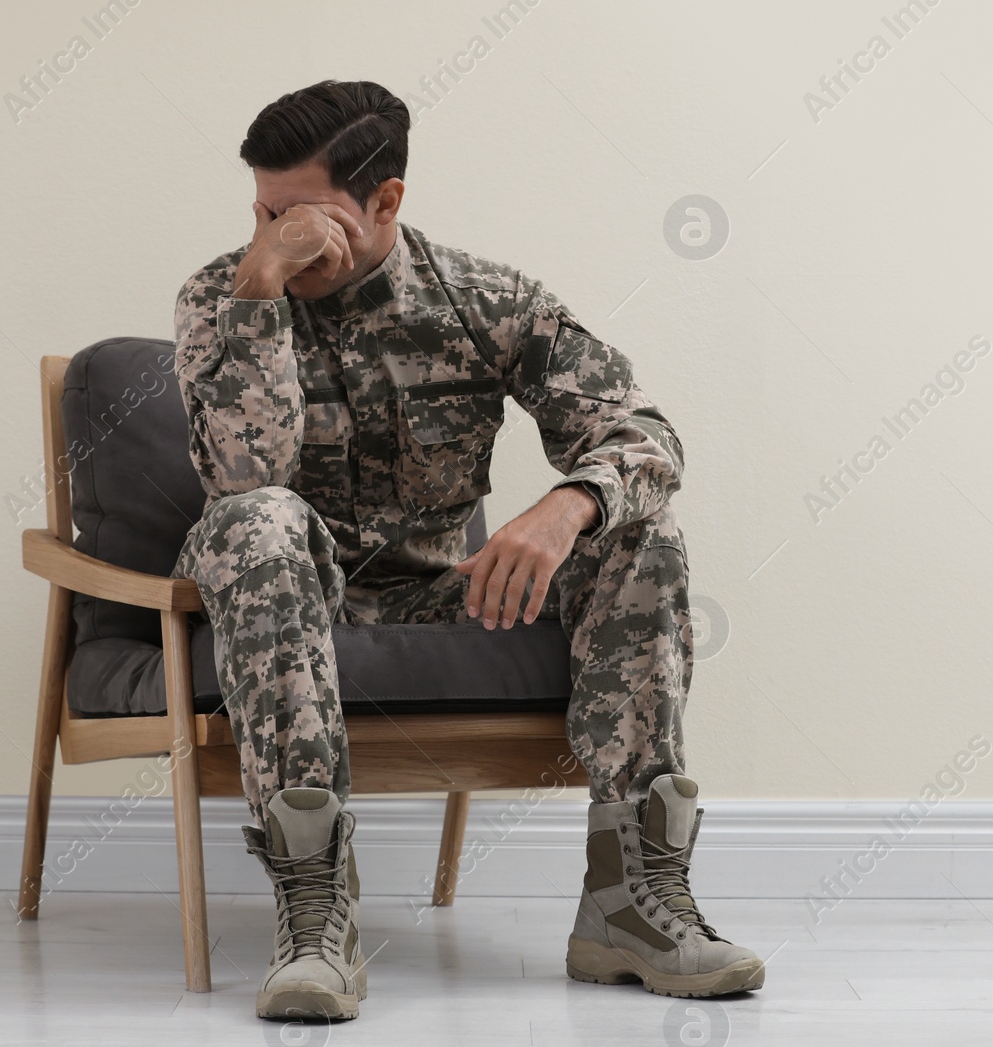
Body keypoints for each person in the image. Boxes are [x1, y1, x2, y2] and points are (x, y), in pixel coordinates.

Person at [169, 80, 763, 1021]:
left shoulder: (487, 300)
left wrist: (568, 504)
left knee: (636, 526)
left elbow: (648, 436)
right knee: (258, 519)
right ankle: (316, 915)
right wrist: (261, 287)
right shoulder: (224, 292)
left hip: (446, 590)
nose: (276, 232)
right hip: (288, 594)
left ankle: (631, 901)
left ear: (386, 200)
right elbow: (246, 473)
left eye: (300, 215)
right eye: (261, 211)